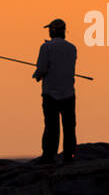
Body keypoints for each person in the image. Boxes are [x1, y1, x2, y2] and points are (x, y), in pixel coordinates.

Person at [33, 18, 77, 164]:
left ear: (52, 31)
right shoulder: (72, 48)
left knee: (51, 126)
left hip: (50, 94)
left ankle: (49, 156)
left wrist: (37, 75)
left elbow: (41, 69)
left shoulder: (46, 48)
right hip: (68, 93)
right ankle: (69, 156)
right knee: (69, 126)